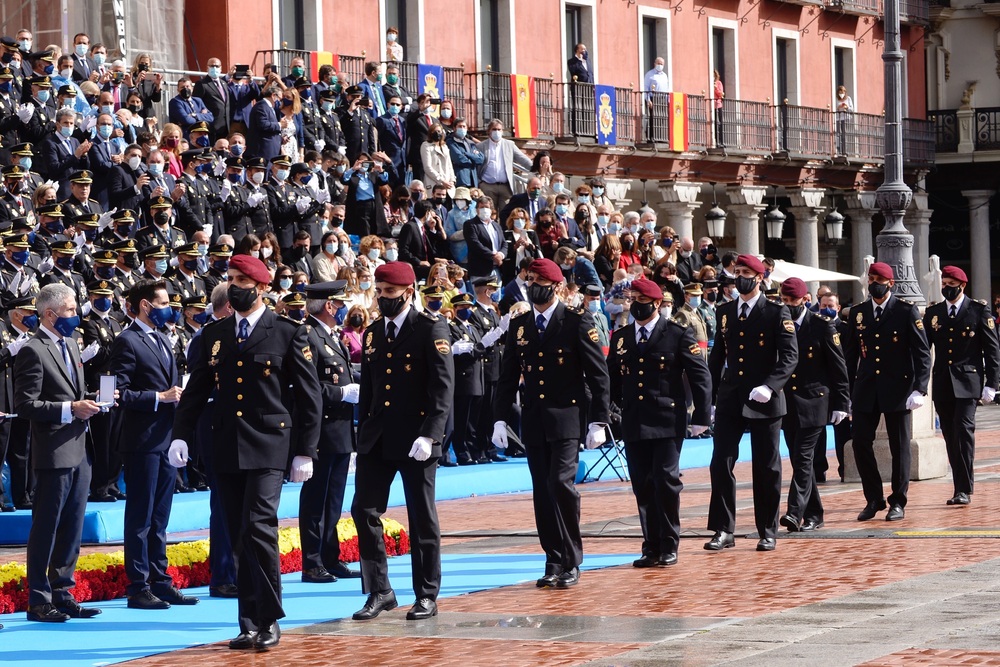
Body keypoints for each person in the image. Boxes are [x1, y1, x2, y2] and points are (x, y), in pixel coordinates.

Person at [170, 254, 321, 650]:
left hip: (270, 444)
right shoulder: (214, 335)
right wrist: (180, 434)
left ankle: (269, 618)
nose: (235, 286)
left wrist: (306, 450)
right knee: (239, 533)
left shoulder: (287, 331)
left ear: (263, 288)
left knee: (259, 526)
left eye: (242, 280)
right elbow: (197, 389)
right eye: (231, 279)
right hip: (225, 444)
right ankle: (248, 621)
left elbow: (309, 397)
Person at [492, 258, 610, 588]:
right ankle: (553, 558)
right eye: (528, 281)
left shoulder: (576, 321)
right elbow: (507, 376)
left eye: (538, 282)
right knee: (543, 492)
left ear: (557, 286)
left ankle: (571, 559)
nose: (532, 287)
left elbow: (599, 376)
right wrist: (500, 419)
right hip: (534, 420)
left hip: (568, 419)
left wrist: (599, 422)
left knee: (561, 484)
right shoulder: (520, 325)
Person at [350, 261, 454, 621]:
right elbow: (369, 390)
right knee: (363, 511)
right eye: (378, 292)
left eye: (389, 292)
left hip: (416, 438)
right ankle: (380, 590)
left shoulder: (430, 328)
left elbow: (443, 388)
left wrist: (431, 433)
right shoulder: (374, 332)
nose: (382, 298)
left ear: (408, 292)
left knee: (421, 516)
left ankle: (426, 593)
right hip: (377, 437)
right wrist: (360, 432)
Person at [15, 283, 104, 622]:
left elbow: (74, 391)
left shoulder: (70, 343)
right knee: (47, 526)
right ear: (49, 314)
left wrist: (92, 402)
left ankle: (62, 591)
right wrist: (70, 408)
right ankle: (39, 599)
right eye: (69, 310)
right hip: (53, 450)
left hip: (80, 447)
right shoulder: (32, 350)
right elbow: (26, 404)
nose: (75, 315)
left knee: (72, 526)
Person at [608, 278, 710, 567]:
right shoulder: (622, 337)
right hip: (635, 420)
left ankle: (668, 543)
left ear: (655, 304)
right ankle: (650, 545)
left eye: (641, 301)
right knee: (642, 484)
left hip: (667, 418)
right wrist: (610, 409)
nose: (635, 306)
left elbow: (700, 375)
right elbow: (612, 377)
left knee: (665, 480)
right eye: (632, 300)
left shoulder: (677, 333)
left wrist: (701, 415)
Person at [110, 279, 199, 609]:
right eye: (162, 303)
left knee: (160, 517)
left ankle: (160, 581)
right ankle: (138, 586)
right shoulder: (127, 341)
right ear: (145, 305)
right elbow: (118, 393)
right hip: (142, 441)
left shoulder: (163, 339)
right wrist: (157, 397)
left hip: (165, 439)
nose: (169, 309)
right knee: (140, 517)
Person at [705, 254, 798, 552]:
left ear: (759, 278)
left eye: (746, 272)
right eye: (737, 271)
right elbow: (717, 356)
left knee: (767, 465)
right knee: (721, 461)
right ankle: (723, 529)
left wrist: (771, 387)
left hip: (764, 397)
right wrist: (710, 398)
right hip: (732, 395)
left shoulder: (776, 311)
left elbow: (789, 356)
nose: (740, 276)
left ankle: (767, 529)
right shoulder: (725, 311)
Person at [843, 262, 931, 522]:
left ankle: (898, 500)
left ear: (891, 283)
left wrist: (920, 388)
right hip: (866, 387)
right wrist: (845, 391)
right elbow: (849, 356)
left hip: (898, 389)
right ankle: (873, 498)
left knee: (900, 446)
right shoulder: (858, 313)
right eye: (870, 279)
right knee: (860, 442)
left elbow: (922, 353)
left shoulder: (905, 311)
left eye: (879, 279)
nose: (874, 284)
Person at [299, 281, 362, 583]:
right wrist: (341, 393)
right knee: (316, 499)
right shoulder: (307, 335)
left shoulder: (329, 335)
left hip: (339, 430)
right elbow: (305, 386)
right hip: (321, 429)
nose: (342, 310)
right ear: (328, 306)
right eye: (339, 304)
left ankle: (329, 556)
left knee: (333, 499)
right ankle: (312, 562)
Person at [777, 278, 850, 533]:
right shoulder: (780, 326)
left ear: (805, 300)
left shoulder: (821, 327)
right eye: (784, 301)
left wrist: (842, 403)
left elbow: (838, 369)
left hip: (815, 402)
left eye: (793, 301)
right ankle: (815, 514)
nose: (788, 306)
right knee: (800, 462)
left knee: (804, 457)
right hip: (788, 404)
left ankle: (794, 513)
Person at [922, 266, 999, 506]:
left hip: (968, 383)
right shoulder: (933, 313)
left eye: (950, 284)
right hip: (944, 383)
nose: (946, 288)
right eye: (944, 284)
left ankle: (964, 488)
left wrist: (992, 384)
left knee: (964, 431)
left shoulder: (978, 311)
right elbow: (923, 349)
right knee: (950, 435)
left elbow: (992, 350)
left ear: (962, 286)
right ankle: (960, 486)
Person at [475, 119, 531, 215]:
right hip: (487, 186)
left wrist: (536, 167)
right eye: (494, 129)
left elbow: (522, 158)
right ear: (489, 131)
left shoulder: (509, 145)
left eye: (499, 129)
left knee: (506, 214)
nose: (497, 132)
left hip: (505, 186)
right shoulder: (481, 146)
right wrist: (479, 183)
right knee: (489, 213)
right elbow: (475, 164)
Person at [464, 196, 507, 280]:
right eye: (481, 207)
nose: (484, 210)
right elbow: (474, 244)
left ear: (491, 210)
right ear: (477, 209)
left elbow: (504, 243)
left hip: (497, 269)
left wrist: (501, 255)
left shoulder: (496, 225)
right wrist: (493, 255)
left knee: (496, 293)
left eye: (486, 207)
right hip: (480, 271)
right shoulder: (470, 224)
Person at [835, 85, 854, 155]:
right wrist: (838, 107)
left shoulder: (848, 99)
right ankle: (838, 150)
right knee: (838, 134)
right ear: (838, 92)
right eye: (840, 91)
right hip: (838, 118)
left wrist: (847, 106)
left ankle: (844, 150)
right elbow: (834, 108)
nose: (842, 93)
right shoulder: (836, 99)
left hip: (846, 118)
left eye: (843, 91)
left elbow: (852, 109)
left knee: (844, 134)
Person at [713, 70, 725, 147]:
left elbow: (721, 94)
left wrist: (716, 88)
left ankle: (720, 141)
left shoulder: (719, 83)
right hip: (712, 106)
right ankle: (715, 140)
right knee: (714, 124)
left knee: (719, 123)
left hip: (718, 105)